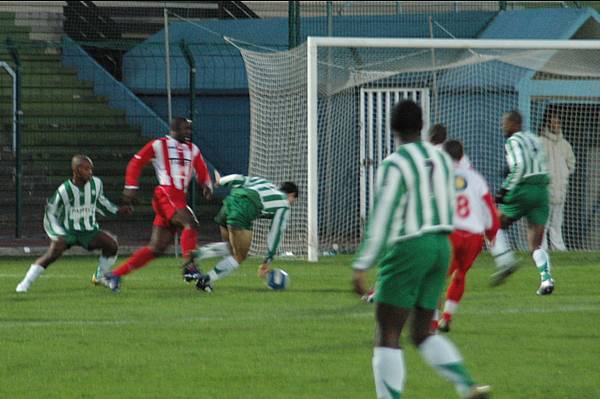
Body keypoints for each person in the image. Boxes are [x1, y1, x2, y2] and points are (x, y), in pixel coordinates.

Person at [352, 100, 490, 399]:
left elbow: (383, 215)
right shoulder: (442, 159)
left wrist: (362, 263)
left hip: (410, 245)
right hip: (442, 245)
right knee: (423, 331)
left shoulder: (395, 163)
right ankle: (466, 384)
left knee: (388, 332)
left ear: (393, 127)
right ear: (422, 124)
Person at [104, 117, 213, 292]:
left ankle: (115, 275)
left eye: (189, 129)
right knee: (190, 223)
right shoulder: (159, 145)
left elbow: (202, 169)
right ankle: (190, 267)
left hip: (178, 198)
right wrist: (130, 187)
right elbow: (135, 163)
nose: (188, 133)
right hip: (166, 194)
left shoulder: (193, 150)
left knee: (157, 248)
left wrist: (206, 184)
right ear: (174, 129)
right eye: (185, 129)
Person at [15, 155, 132, 293]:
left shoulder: (96, 183)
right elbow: (50, 213)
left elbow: (101, 202)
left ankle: (100, 277)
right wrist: (57, 233)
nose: (90, 172)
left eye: (91, 169)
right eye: (86, 169)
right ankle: (24, 284)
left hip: (88, 230)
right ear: (76, 170)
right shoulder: (64, 190)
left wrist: (118, 210)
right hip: (67, 231)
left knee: (112, 245)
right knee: (51, 255)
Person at [194, 174, 298, 292]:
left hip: (229, 203)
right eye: (293, 200)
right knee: (240, 256)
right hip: (243, 209)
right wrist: (267, 260)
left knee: (231, 247)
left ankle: (196, 255)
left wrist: (220, 182)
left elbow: (238, 179)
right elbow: (276, 233)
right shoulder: (284, 204)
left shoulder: (264, 183)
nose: (291, 203)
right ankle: (206, 280)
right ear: (291, 195)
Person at [437, 140, 500, 333]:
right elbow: (489, 208)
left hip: (451, 233)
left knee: (435, 278)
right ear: (461, 155)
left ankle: (431, 324)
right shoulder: (476, 178)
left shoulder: (439, 176)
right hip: (474, 236)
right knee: (460, 275)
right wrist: (492, 233)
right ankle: (446, 317)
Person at [490, 111, 554, 295]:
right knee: (535, 244)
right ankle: (546, 280)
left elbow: (519, 166)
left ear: (514, 123)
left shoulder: (512, 141)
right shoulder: (535, 138)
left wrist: (504, 190)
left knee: (493, 223)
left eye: (505, 122)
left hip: (523, 188)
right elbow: (541, 162)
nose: (503, 126)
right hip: (541, 189)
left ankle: (505, 262)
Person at [539, 110, 575, 251]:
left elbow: (571, 163)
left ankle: (558, 249)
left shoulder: (565, 144)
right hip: (545, 188)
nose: (555, 125)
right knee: (543, 221)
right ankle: (542, 249)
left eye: (557, 122)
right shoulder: (540, 142)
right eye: (553, 122)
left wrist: (565, 174)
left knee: (557, 222)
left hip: (560, 188)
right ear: (548, 124)